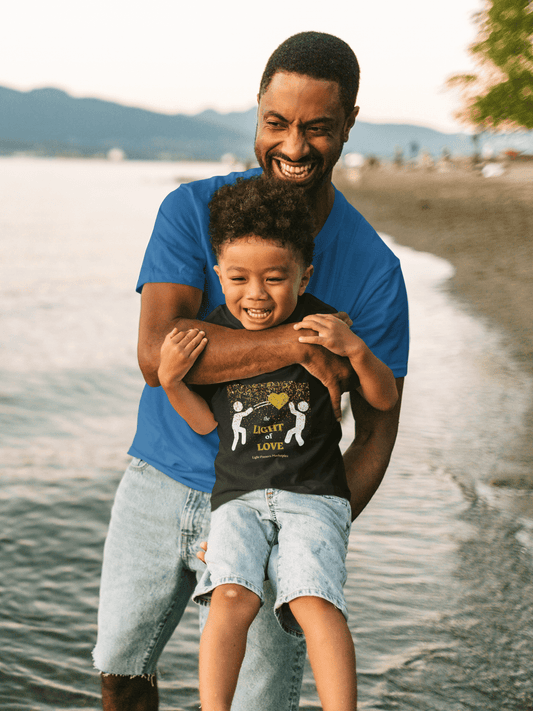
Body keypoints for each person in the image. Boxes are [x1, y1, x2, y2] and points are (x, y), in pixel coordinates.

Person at [93, 31, 409, 711]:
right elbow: (157, 356)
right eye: (276, 123)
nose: (293, 147)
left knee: (259, 701)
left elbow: (378, 429)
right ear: (257, 111)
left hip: (285, 501)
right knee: (122, 670)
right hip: (159, 479)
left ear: (350, 123)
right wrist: (297, 344)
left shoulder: (374, 270)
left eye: (318, 128)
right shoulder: (190, 212)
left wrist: (318, 520)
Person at [157, 176, 398, 711]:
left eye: (275, 278)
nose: (256, 294)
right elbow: (204, 425)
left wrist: (355, 349)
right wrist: (173, 381)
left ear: (303, 274)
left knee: (315, 600)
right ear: (218, 275)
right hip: (238, 500)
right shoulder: (213, 334)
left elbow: (381, 399)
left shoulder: (322, 326)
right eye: (238, 278)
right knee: (231, 598)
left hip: (313, 495)